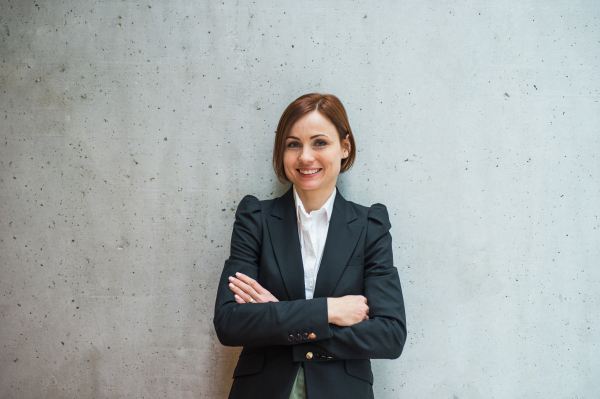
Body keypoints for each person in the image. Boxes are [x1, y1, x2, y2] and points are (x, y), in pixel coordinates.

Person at [213, 93, 407, 399]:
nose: (305, 156)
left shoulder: (370, 226)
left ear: (345, 147)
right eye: (293, 144)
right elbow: (230, 323)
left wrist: (277, 316)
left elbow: (390, 336)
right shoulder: (256, 219)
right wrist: (329, 310)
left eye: (319, 142)